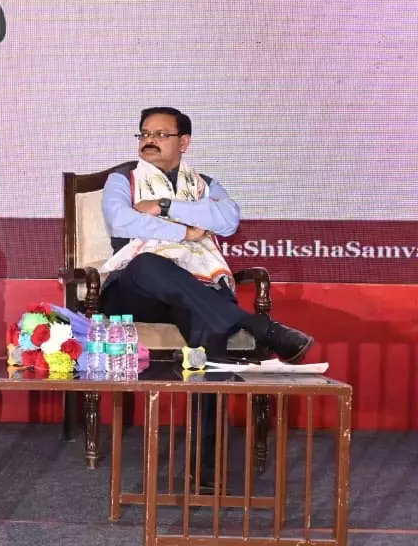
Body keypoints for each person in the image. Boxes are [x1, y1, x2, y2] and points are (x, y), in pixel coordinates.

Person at [99, 106, 313, 490]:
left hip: (189, 292)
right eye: (145, 133)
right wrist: (186, 232)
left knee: (210, 340)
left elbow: (227, 221)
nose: (149, 140)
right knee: (149, 264)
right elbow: (121, 220)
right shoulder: (123, 179)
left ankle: (207, 471)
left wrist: (164, 207)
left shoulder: (205, 184)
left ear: (184, 142)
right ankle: (260, 328)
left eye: (161, 134)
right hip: (134, 292)